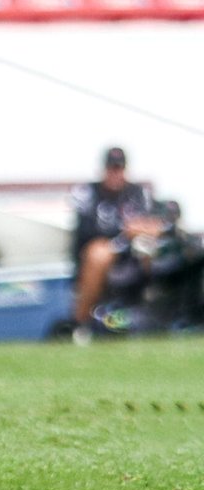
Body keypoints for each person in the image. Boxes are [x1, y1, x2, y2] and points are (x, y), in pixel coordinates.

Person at [71, 147, 165, 344]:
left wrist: (142, 230)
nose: (115, 173)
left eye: (119, 168)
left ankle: (160, 305)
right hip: (102, 252)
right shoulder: (89, 192)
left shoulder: (138, 193)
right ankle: (81, 323)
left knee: (155, 247)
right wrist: (125, 230)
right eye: (111, 168)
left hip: (134, 252)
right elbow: (85, 232)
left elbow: (155, 222)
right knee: (99, 253)